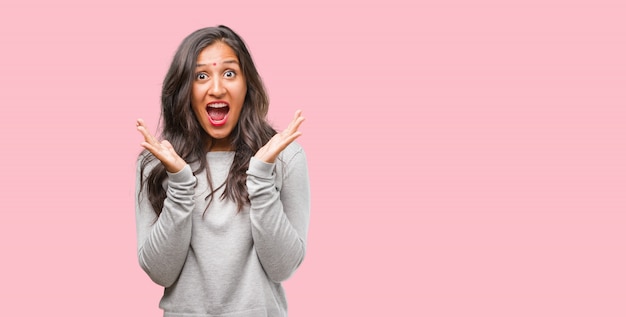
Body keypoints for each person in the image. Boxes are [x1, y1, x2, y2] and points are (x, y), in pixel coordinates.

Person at [134, 25, 310, 317]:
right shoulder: (156, 163)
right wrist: (178, 182)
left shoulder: (284, 158)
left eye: (229, 73)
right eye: (201, 76)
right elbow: (160, 272)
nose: (217, 88)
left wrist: (262, 177)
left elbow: (283, 267)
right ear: (184, 90)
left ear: (247, 85)